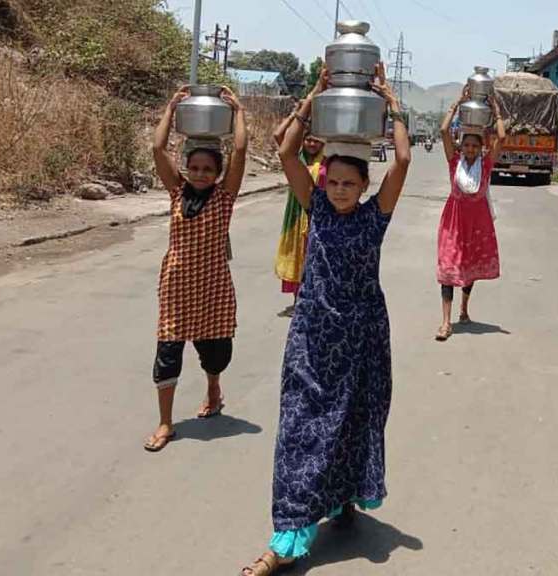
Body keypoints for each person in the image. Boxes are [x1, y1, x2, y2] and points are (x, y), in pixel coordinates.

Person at [240, 63, 411, 575]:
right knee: (299, 429)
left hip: (359, 339)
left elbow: (402, 159)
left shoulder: (373, 219)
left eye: (347, 182)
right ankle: (286, 536)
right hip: (313, 336)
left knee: (353, 420)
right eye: (332, 181)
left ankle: (340, 498)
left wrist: (393, 104)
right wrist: (314, 94)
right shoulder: (313, 206)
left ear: (363, 185)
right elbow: (287, 151)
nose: (338, 189)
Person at [144, 85, 247, 452]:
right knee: (168, 351)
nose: (200, 174)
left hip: (213, 286)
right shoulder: (176, 193)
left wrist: (237, 113)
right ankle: (165, 422)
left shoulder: (224, 198)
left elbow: (239, 149)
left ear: (218, 174)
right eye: (195, 168)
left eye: (208, 169)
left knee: (215, 351)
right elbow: (157, 148)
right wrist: (171, 107)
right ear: (186, 170)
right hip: (175, 284)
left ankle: (214, 389)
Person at [434, 85, 505, 342]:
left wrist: (495, 109)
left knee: (468, 268)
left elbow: (502, 136)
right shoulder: (455, 162)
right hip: (453, 223)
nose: (472, 149)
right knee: (449, 268)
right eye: (468, 145)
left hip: (477, 224)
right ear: (461, 147)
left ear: (481, 148)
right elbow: (443, 131)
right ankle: (445, 322)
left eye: (476, 145)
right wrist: (457, 104)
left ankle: (464, 309)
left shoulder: (486, 165)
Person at [272, 103, 327, 316]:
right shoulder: (297, 158)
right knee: (298, 257)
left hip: (317, 215)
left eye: (316, 139)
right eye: (308, 139)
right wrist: (297, 112)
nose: (312, 143)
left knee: (314, 258)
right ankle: (299, 302)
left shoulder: (328, 160)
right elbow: (278, 135)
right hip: (296, 216)